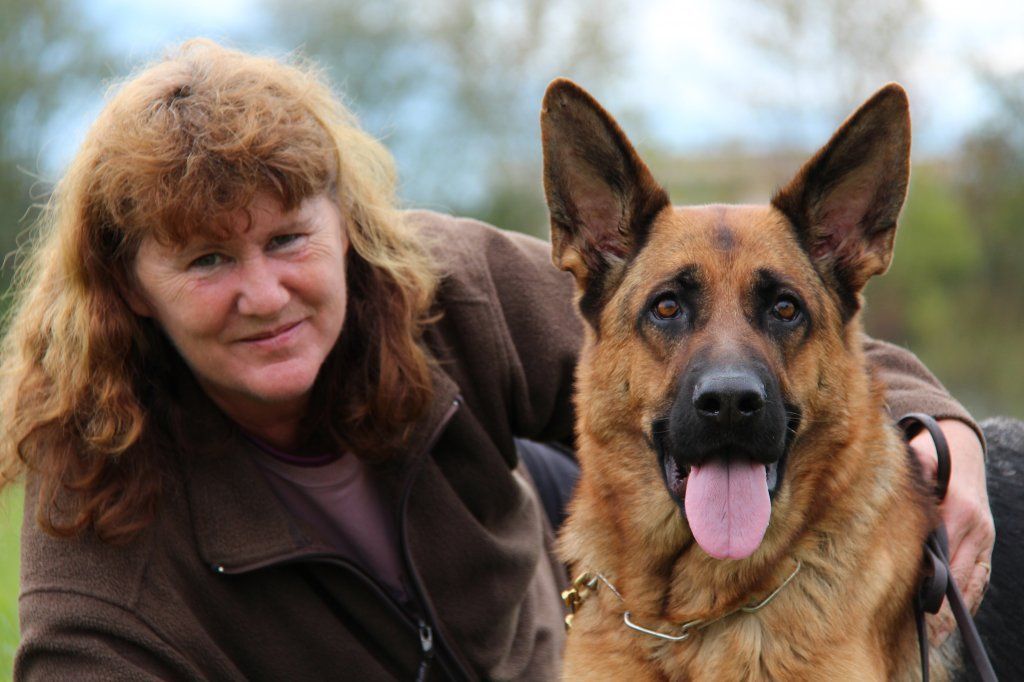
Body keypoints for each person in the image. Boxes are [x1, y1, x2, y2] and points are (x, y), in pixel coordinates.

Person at [0, 39, 993, 680]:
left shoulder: (440, 287)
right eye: (209, 258)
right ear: (129, 283)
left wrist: (939, 429)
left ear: (343, 227)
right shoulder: (93, 512)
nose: (264, 293)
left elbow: (805, 333)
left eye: (288, 240)